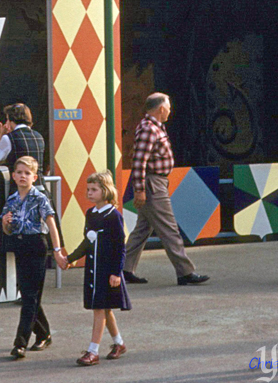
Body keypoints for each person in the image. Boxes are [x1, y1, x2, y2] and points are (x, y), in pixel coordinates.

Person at [122, 93, 208, 286]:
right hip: (153, 184)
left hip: (154, 183)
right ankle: (185, 272)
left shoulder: (153, 127)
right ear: (161, 108)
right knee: (169, 229)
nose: (170, 110)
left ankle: (124, 269)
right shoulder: (149, 129)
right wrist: (139, 190)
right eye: (168, 107)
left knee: (142, 229)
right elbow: (138, 162)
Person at [1, 156, 65, 360]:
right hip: (20, 245)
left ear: (34, 177)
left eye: (27, 173)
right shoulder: (12, 199)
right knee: (28, 294)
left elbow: (51, 224)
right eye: (19, 172)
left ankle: (20, 343)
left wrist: (57, 250)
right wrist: (5, 223)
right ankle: (44, 333)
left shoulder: (40, 198)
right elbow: (7, 230)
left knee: (30, 297)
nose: (23, 176)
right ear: (13, 175)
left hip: (36, 244)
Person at [65, 170, 130, 366]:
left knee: (99, 309)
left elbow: (120, 247)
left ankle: (93, 351)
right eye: (88, 189)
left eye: (94, 189)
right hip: (92, 270)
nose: (89, 193)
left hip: (106, 271)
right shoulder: (90, 214)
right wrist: (70, 259)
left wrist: (116, 272)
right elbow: (87, 242)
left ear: (106, 191)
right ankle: (119, 343)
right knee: (104, 308)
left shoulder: (114, 216)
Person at [0, 104, 48, 180]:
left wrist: (1, 135)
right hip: (39, 184)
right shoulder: (39, 136)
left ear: (11, 121)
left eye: (7, 119)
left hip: (19, 185)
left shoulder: (8, 138)